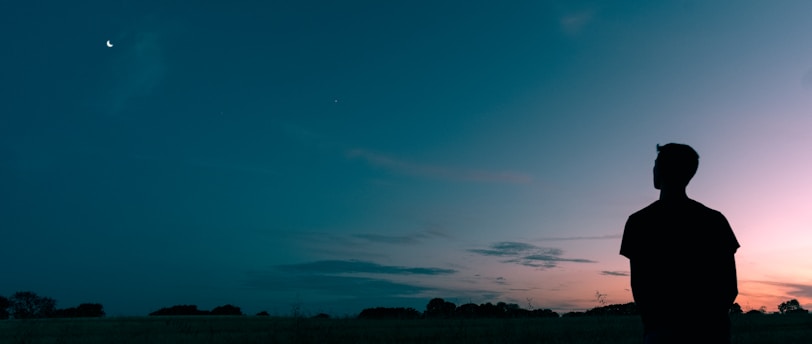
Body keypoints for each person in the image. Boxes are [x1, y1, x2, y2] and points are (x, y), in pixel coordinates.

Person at [620, 143, 739, 344]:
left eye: (656, 164)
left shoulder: (640, 221)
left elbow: (640, 286)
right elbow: (728, 286)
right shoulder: (714, 220)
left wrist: (659, 323)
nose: (653, 169)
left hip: (662, 331)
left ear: (662, 170)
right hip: (712, 330)